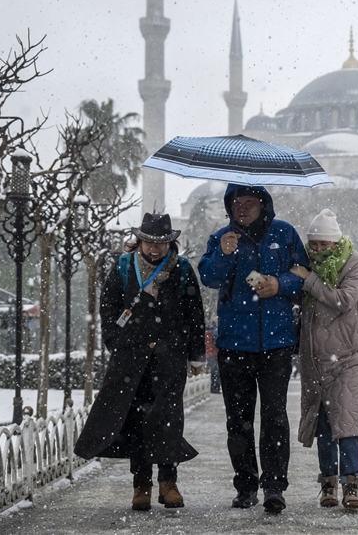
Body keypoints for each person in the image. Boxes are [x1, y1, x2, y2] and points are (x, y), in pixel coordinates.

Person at [74, 214, 205, 511]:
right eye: (149, 242)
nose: (155, 249)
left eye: (161, 243)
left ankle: (168, 482)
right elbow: (107, 309)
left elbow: (195, 316)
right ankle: (141, 484)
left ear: (171, 242)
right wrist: (115, 343)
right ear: (139, 241)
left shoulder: (182, 269)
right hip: (131, 360)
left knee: (167, 420)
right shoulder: (123, 267)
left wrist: (195, 354)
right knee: (137, 421)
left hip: (169, 359)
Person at [197, 184, 308, 514]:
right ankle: (245, 485)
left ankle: (274, 486)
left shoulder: (285, 233)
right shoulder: (221, 238)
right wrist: (223, 254)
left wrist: (279, 284)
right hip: (234, 344)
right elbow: (208, 278)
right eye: (235, 202)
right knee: (239, 420)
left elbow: (302, 272)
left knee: (274, 417)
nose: (241, 207)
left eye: (248, 202)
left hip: (276, 343)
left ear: (263, 204)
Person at [290, 209, 358, 510]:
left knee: (347, 420)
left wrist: (309, 280)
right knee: (323, 422)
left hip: (351, 354)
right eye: (315, 244)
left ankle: (351, 483)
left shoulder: (355, 263)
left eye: (326, 244)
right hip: (316, 357)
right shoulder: (307, 266)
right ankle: (328, 484)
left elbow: (343, 300)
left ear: (337, 242)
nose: (320, 249)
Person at [205, 320, 221, 394]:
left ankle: (214, 387)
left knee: (214, 371)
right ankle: (215, 388)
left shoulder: (208, 329)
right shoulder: (215, 330)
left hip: (209, 354)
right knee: (216, 371)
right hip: (214, 353)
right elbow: (217, 342)